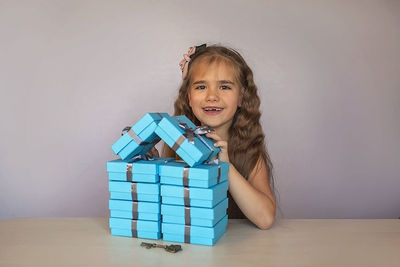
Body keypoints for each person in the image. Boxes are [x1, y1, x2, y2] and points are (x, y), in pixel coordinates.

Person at [162, 44, 276, 229]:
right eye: (201, 86)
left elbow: (265, 219)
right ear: (189, 97)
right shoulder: (176, 144)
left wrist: (225, 165)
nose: (212, 96)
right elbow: (166, 210)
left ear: (241, 97)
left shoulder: (249, 150)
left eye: (224, 86)